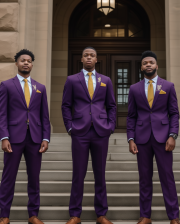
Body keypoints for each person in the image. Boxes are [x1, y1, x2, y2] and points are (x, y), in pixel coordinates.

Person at [61, 46, 116, 224]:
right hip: (80, 132)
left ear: (96, 59)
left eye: (92, 55)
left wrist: (110, 126)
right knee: (78, 174)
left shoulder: (105, 80)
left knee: (100, 174)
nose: (89, 58)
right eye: (86, 55)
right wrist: (70, 127)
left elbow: (112, 106)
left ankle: (101, 214)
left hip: (101, 132)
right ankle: (75, 214)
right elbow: (65, 105)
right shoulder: (72, 80)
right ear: (82, 59)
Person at [0, 49, 51, 224]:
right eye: (22, 60)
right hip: (13, 138)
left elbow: (44, 116)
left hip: (35, 139)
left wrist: (45, 138)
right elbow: (1, 114)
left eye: (29, 60)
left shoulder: (40, 88)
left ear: (32, 64)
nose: (26, 63)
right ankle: (4, 216)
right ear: (16, 63)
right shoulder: (7, 85)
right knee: (8, 177)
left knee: (34, 178)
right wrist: (4, 137)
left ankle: (33, 215)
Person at [127, 50, 180, 224]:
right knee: (144, 178)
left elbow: (174, 113)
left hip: (163, 138)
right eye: (145, 63)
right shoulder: (134, 89)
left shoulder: (168, 86)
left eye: (151, 62)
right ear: (141, 67)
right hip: (142, 139)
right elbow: (131, 116)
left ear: (157, 65)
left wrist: (173, 135)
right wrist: (131, 138)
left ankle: (173, 216)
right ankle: (145, 216)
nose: (148, 65)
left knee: (167, 177)